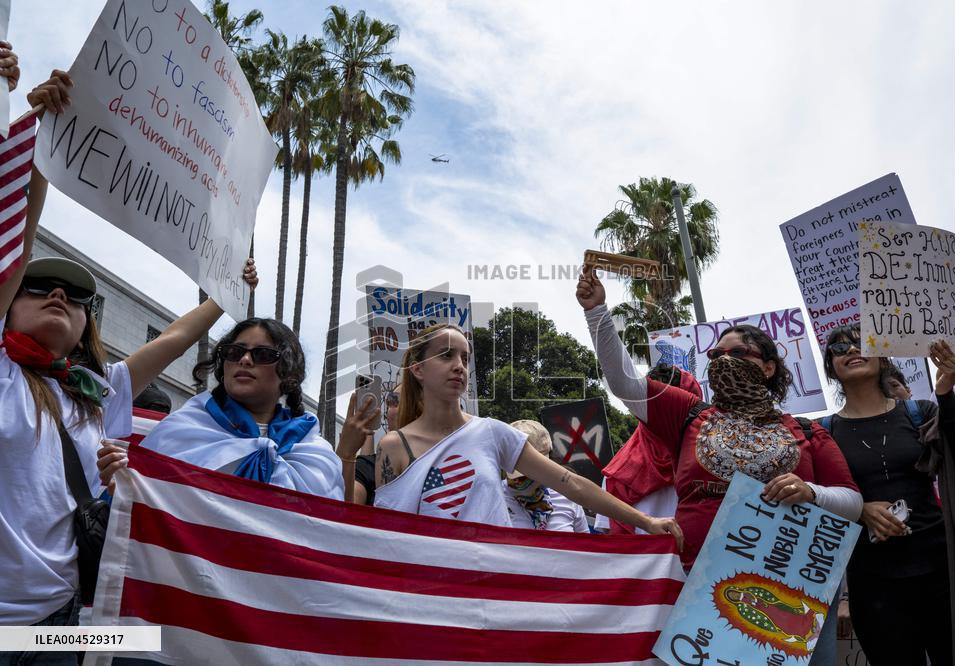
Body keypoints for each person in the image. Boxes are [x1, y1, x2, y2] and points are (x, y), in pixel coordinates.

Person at [0, 70, 254, 635]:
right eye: (38, 288)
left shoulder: (94, 393)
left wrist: (228, 292)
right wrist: (41, 150)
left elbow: (171, 340)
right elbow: (16, 244)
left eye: (76, 297)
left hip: (58, 625)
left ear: (89, 325)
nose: (59, 295)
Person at [575, 267, 862, 571]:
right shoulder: (687, 415)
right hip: (696, 584)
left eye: (738, 353)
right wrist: (597, 312)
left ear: (767, 368)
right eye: (716, 355)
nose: (724, 360)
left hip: (785, 583)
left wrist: (810, 491)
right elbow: (625, 383)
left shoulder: (807, 431)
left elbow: (853, 503)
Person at [372, 322, 685, 539]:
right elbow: (388, 535)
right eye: (446, 355)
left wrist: (645, 521)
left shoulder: (492, 433)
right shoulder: (394, 446)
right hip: (434, 596)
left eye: (465, 358)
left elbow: (572, 484)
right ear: (418, 369)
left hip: (496, 585)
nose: (459, 366)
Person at [819, 324, 955, 665]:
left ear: (883, 358)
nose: (852, 349)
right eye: (839, 347)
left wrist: (946, 390)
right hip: (873, 582)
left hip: (941, 570)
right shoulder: (823, 431)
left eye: (862, 343)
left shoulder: (919, 412)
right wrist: (861, 510)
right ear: (831, 367)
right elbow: (821, 498)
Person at [117, 318, 344, 499]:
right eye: (235, 352)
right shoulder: (183, 429)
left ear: (290, 374)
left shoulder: (316, 454)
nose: (245, 360)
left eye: (262, 355)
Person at [596, 363, 703, 534]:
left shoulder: (717, 462)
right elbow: (611, 543)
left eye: (674, 403)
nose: (663, 416)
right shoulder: (617, 476)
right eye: (656, 405)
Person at [503, 420, 588, 532]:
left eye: (531, 473)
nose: (522, 481)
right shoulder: (493, 496)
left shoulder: (567, 495)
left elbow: (584, 543)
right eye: (517, 470)